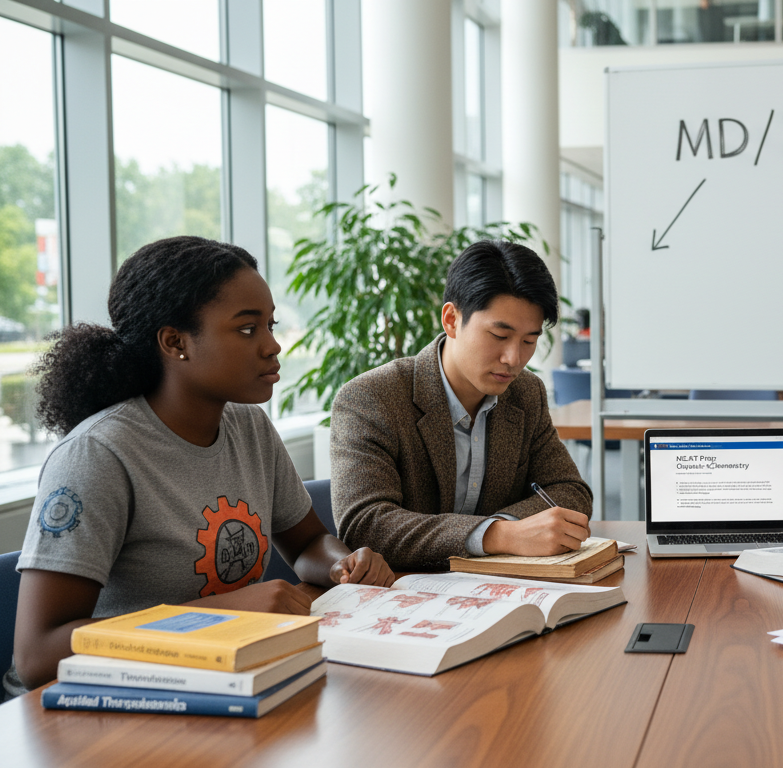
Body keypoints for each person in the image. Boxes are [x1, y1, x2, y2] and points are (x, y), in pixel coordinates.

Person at [10, 236, 393, 694]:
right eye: (247, 329)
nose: (272, 346)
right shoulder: (97, 455)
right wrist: (221, 613)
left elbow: (308, 542)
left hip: (218, 678)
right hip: (110, 702)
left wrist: (340, 565)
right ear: (175, 342)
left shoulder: (249, 427)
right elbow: (36, 657)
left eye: (270, 325)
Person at [331, 239, 592, 571]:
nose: (514, 359)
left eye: (529, 340)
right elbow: (365, 525)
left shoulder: (526, 394)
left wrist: (510, 528)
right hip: (404, 595)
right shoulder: (372, 397)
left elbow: (571, 492)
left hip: (501, 591)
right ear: (452, 319)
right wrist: (500, 536)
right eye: (499, 336)